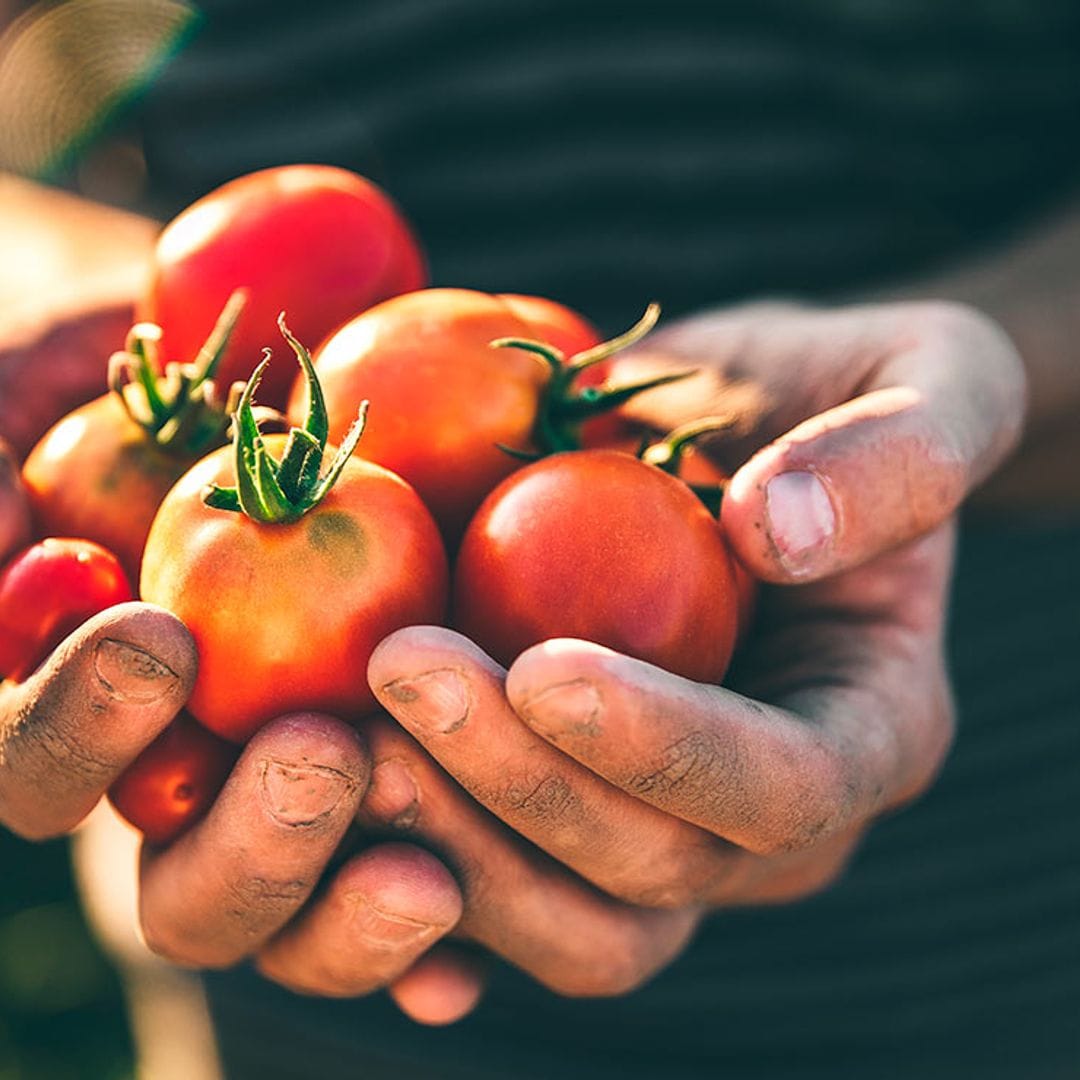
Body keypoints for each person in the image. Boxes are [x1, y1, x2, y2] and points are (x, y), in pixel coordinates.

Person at [1, 1, 1078, 1076]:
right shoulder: (328, 469)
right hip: (287, 988)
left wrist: (999, 373)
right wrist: (61, 345)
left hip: (1001, 930)